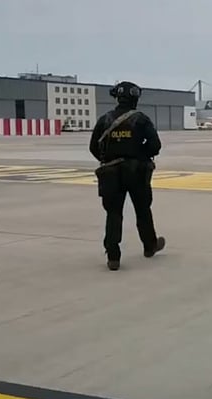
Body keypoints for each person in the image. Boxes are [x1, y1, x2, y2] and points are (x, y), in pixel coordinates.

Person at [89, 81, 166, 271]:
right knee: (143, 209)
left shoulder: (105, 120)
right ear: (135, 99)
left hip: (110, 173)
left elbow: (93, 147)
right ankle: (149, 246)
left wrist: (108, 159)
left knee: (113, 213)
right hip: (137, 172)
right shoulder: (140, 119)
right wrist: (140, 154)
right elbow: (155, 145)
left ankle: (113, 257)